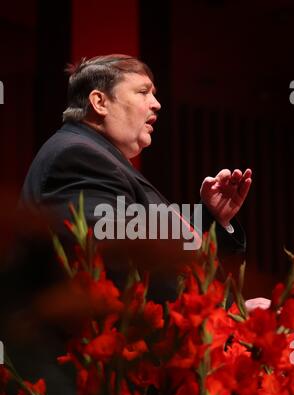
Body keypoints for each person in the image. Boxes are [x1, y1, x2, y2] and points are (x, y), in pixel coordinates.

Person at [20, 54, 251, 287]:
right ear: (100, 102)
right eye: (143, 92)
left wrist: (210, 217)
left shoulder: (96, 157)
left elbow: (142, 240)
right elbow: (122, 264)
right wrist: (226, 309)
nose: (156, 104)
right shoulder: (78, 157)